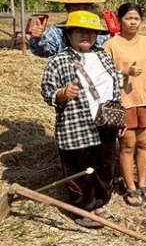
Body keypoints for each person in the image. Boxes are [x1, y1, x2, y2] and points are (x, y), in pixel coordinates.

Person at [40, 11, 123, 228]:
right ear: (69, 35)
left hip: (105, 122)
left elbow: (115, 86)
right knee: (81, 169)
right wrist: (62, 94)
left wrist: (119, 118)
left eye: (91, 32)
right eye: (80, 31)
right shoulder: (58, 61)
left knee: (105, 166)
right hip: (75, 126)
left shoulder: (104, 55)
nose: (86, 35)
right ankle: (83, 210)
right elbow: (47, 91)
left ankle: (99, 204)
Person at [102, 3, 146, 207]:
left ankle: (143, 182)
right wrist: (126, 72)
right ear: (119, 20)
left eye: (136, 18)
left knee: (144, 144)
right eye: (128, 18)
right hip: (124, 103)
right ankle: (130, 187)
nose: (133, 22)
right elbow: (105, 76)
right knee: (127, 146)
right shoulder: (111, 45)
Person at [28, 0, 110, 57]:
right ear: (68, 9)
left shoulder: (99, 31)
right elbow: (43, 52)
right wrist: (36, 39)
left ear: (91, 9)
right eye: (76, 9)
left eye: (86, 8)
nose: (81, 12)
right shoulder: (56, 32)